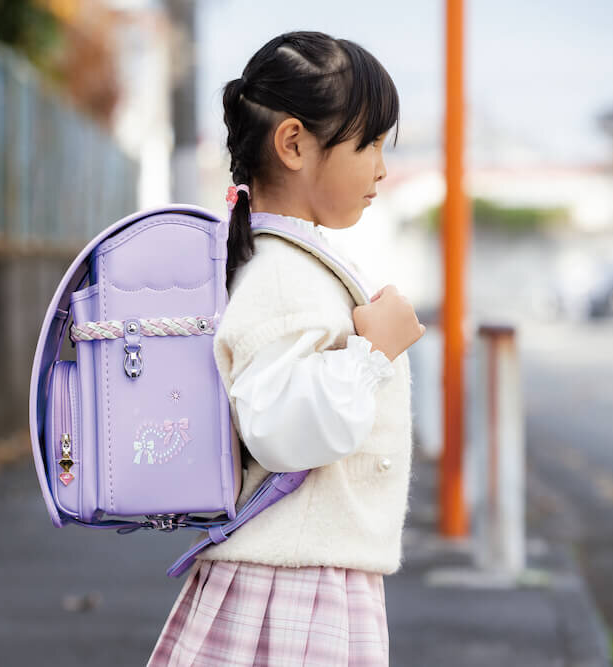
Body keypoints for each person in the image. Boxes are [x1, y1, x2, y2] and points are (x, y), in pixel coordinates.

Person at [147, 31, 426, 666]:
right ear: (294, 143)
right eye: (369, 143)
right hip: (293, 586)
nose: (382, 168)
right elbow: (279, 428)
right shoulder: (281, 274)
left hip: (301, 570)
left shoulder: (283, 261)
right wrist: (373, 352)